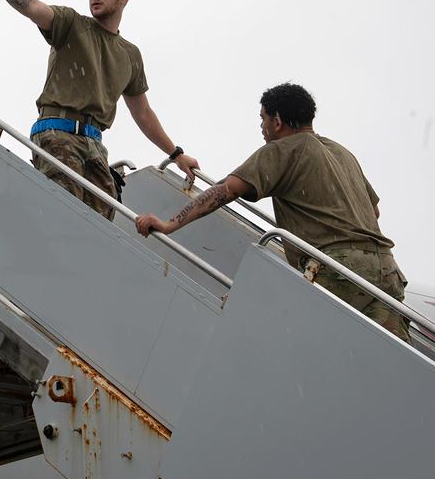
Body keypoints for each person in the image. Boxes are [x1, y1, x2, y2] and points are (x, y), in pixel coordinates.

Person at [135, 83, 410, 342]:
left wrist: (170, 224)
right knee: (384, 372)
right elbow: (373, 210)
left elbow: (227, 190)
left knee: (295, 352)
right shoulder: (342, 153)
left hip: (338, 269)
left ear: (277, 121)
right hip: (387, 272)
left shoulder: (282, 149)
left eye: (263, 119)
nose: (262, 128)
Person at [0, 0, 199, 219]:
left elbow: (144, 113)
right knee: (63, 214)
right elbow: (32, 6)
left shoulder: (130, 54)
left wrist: (176, 154)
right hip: (58, 131)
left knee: (101, 223)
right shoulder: (71, 24)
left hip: (95, 144)